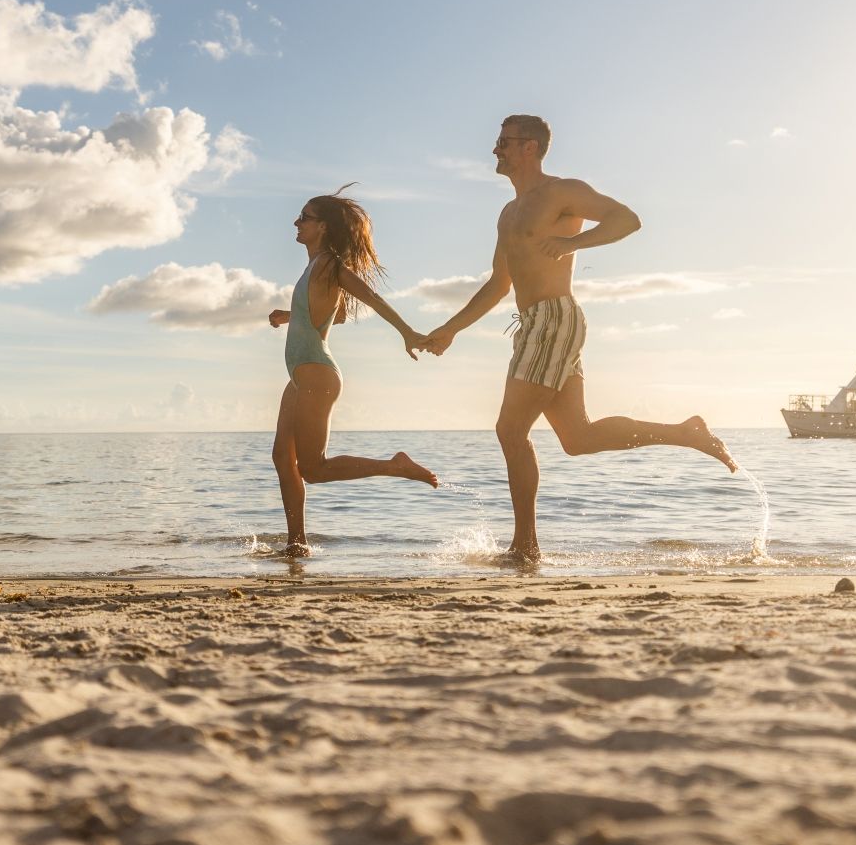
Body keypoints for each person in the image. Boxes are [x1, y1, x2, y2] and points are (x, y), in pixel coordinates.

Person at [420, 116, 736, 561]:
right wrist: (450, 329)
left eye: (504, 142)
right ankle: (685, 432)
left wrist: (575, 243)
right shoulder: (508, 214)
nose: (496, 149)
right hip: (533, 324)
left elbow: (627, 219)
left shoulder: (561, 192)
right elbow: (498, 284)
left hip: (554, 319)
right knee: (577, 438)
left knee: (510, 429)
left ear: (530, 147)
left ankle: (525, 547)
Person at [267, 190, 438, 557]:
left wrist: (407, 332)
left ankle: (395, 466)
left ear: (323, 227)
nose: (296, 222)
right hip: (300, 375)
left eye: (304, 217)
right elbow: (339, 314)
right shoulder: (314, 266)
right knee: (283, 455)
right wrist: (288, 315)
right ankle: (296, 544)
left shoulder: (329, 264)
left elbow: (372, 298)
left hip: (317, 373)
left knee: (313, 468)